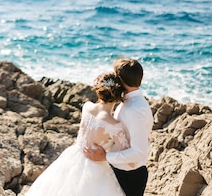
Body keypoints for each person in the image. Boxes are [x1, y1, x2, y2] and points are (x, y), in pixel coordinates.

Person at [24, 72, 129, 196]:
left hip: (73, 155)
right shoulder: (114, 125)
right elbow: (127, 156)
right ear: (119, 95)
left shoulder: (87, 107)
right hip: (95, 166)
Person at [83, 57, 153, 196]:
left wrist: (106, 156)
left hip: (129, 175)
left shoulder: (133, 110)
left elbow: (139, 153)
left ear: (120, 80)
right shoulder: (130, 102)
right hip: (119, 170)